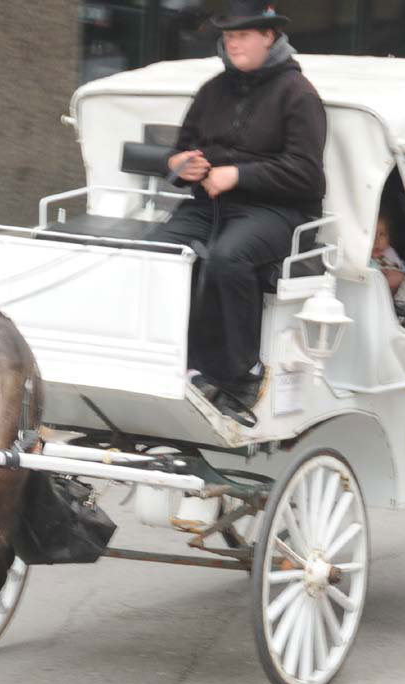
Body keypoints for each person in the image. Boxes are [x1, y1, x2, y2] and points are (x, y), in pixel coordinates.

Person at [147, 0, 327, 418]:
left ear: (269, 36)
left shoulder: (299, 95)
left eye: (242, 35)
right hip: (209, 204)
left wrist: (237, 176)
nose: (232, 44)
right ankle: (171, 357)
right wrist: (179, 165)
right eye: (228, 36)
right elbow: (179, 150)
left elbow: (307, 176)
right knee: (155, 253)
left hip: (279, 212)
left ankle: (240, 374)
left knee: (230, 257)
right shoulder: (213, 89)